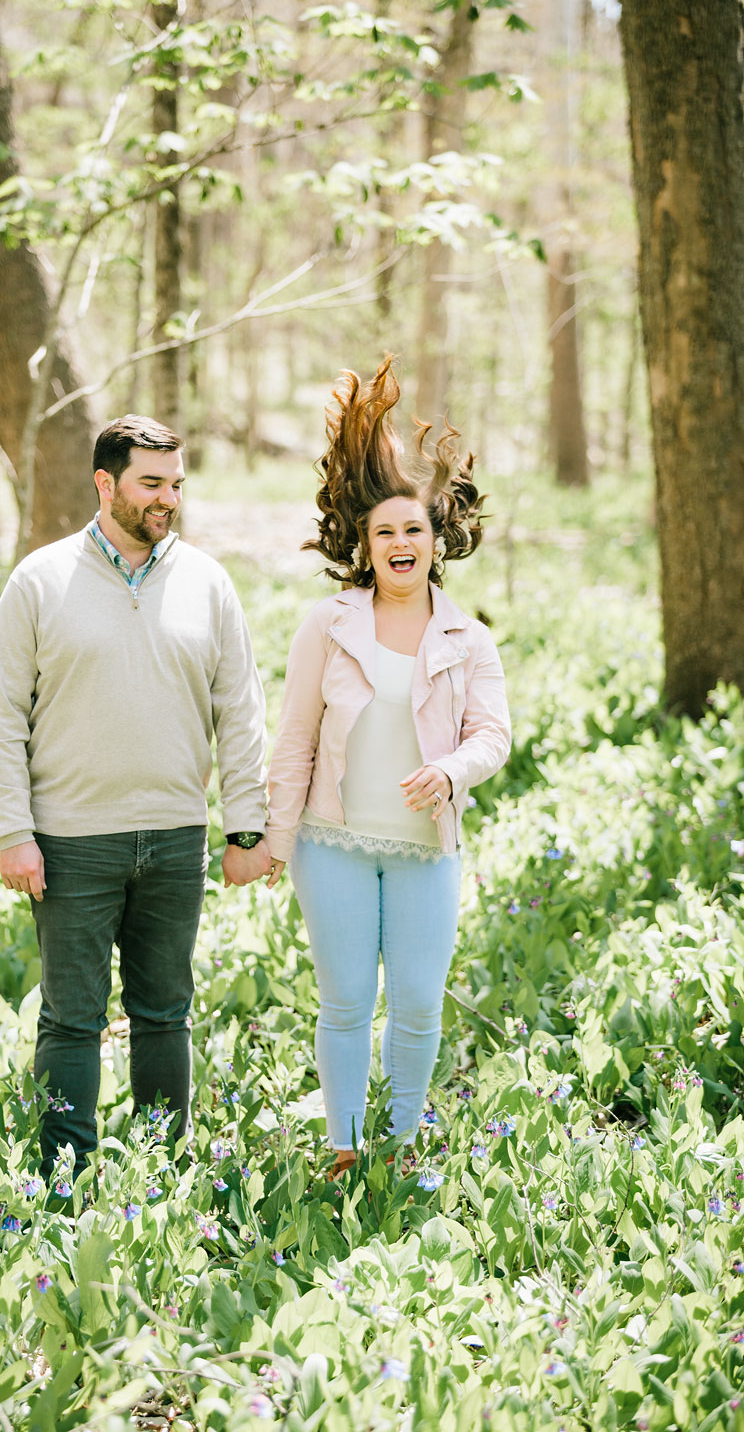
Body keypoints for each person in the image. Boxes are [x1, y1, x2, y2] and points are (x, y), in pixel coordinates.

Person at [0, 415, 270, 1176]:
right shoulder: (39, 581)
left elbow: (240, 711)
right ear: (105, 484)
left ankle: (159, 1172)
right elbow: (1, 715)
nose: (167, 499)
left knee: (164, 1014)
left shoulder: (207, 582)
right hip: (71, 841)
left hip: (177, 838)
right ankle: (62, 1181)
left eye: (176, 484)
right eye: (151, 484)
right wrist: (14, 831)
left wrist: (245, 829)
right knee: (72, 1021)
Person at [265, 357, 510, 1177]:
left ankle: (400, 1144)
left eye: (413, 530)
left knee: (414, 1003)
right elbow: (295, 737)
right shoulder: (325, 626)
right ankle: (344, 1145)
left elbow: (492, 736)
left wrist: (450, 771)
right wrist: (275, 834)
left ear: (437, 543)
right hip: (331, 844)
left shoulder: (469, 639)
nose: (399, 543)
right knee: (344, 1002)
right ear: (363, 550)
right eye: (384, 533)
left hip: (423, 849)